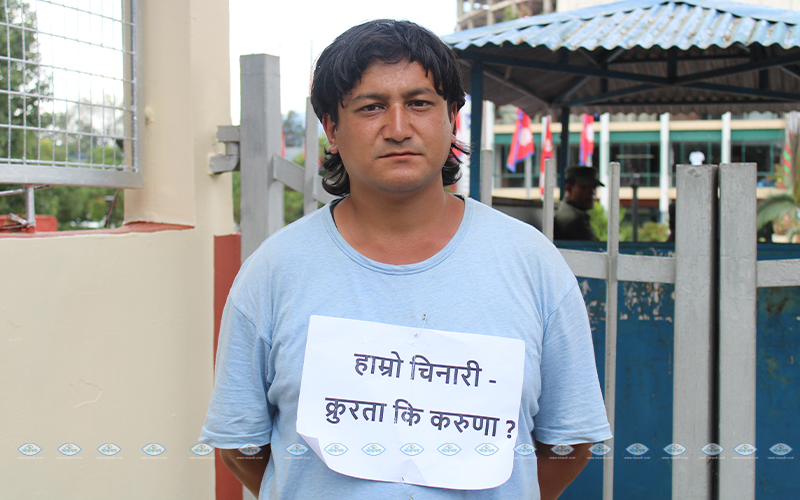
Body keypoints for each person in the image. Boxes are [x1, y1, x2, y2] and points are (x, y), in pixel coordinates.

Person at [200, 19, 610, 500]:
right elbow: (241, 446)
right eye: (371, 107)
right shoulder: (274, 271)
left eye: (419, 103)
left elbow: (569, 442)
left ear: (451, 117)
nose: (398, 129)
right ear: (332, 128)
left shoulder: (531, 263)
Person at [553, 166, 603, 241]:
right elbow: (594, 246)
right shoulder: (575, 218)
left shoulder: (567, 209)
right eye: (584, 186)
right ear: (569, 188)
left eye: (594, 187)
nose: (592, 192)